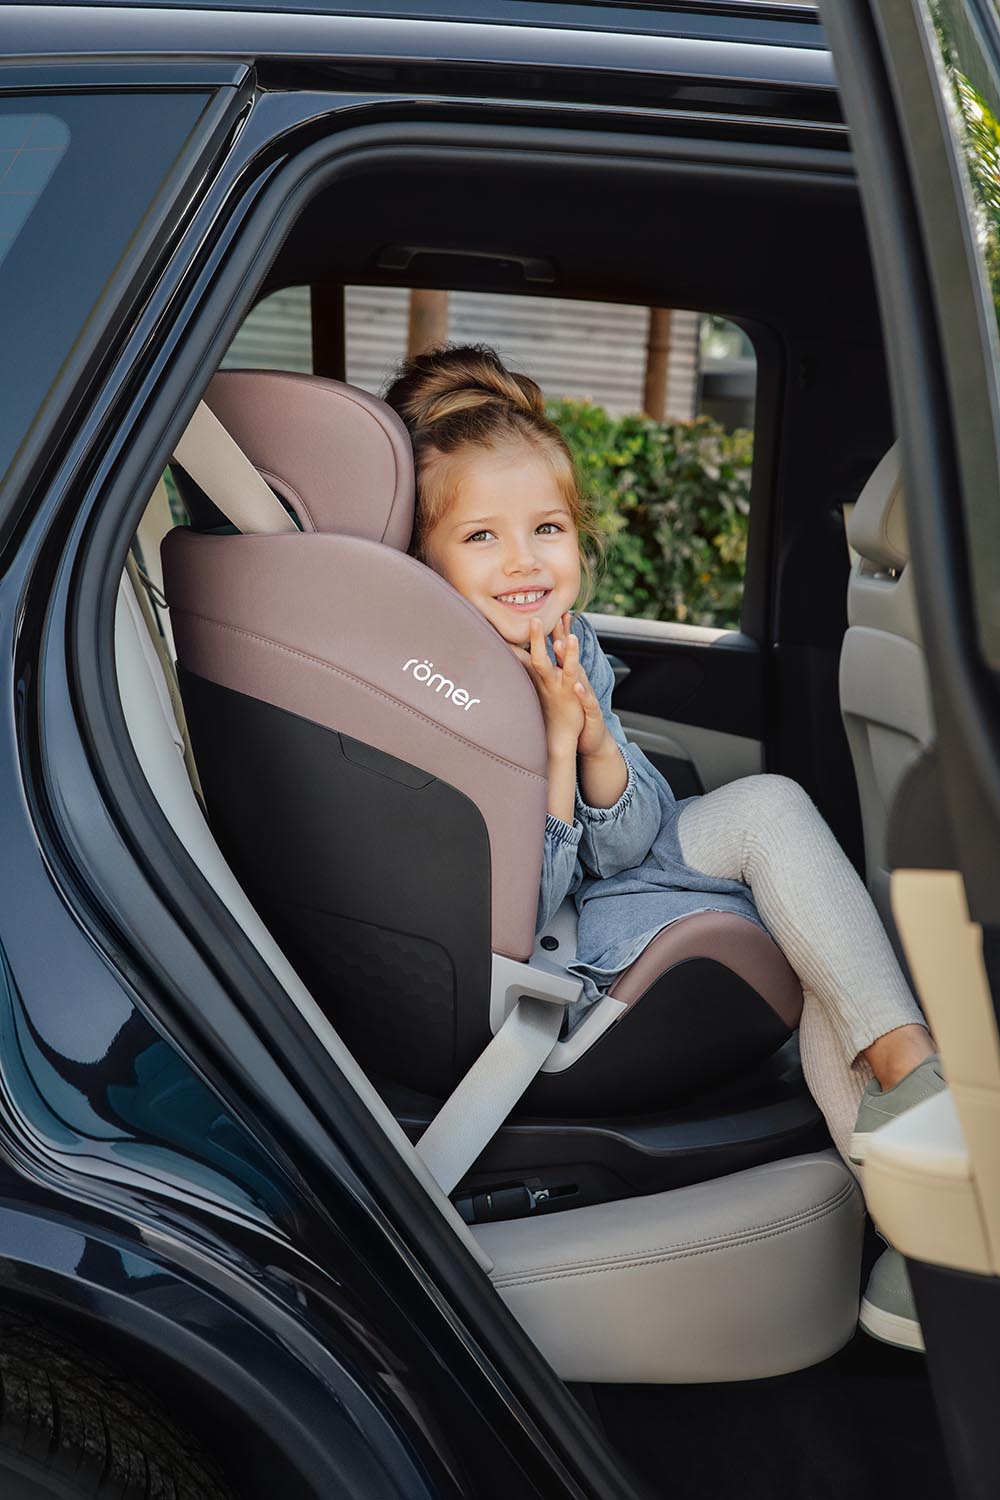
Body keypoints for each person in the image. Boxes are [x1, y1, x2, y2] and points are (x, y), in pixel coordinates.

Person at [384, 342, 946, 1351]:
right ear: (425, 561)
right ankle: (930, 1214)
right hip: (560, 943)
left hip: (611, 884)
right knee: (817, 957)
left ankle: (913, 1095)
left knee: (770, 808)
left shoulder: (568, 641)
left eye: (547, 529)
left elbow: (633, 835)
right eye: (481, 536)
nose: (525, 562)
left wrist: (596, 737)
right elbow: (522, 900)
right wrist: (558, 750)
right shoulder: (448, 680)